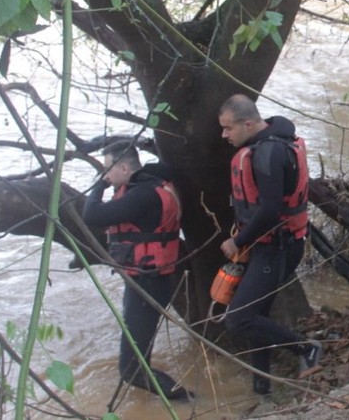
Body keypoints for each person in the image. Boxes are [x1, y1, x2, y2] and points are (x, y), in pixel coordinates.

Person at [217, 94, 322, 395]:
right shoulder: (270, 142)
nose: (224, 135)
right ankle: (261, 388)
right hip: (271, 245)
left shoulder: (268, 153)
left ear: (248, 124)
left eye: (228, 128)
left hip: (276, 248)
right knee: (257, 315)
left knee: (239, 319)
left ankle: (306, 349)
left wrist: (237, 241)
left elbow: (270, 209)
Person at [81, 142, 191, 400]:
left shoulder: (143, 195)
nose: (106, 176)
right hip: (148, 281)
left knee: (131, 370)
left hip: (148, 285)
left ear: (124, 167)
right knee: (138, 359)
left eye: (107, 170)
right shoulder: (150, 185)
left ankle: (189, 402)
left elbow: (92, 215)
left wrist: (99, 185)